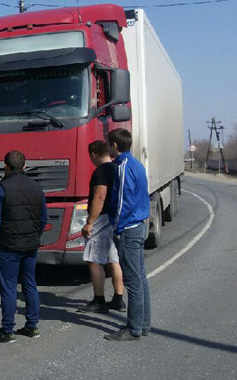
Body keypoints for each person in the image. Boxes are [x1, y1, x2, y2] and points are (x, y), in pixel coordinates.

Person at [0, 150, 48, 343]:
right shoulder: (37, 187)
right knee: (30, 284)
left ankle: (7, 330)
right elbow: (43, 218)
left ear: (5, 166)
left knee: (8, 288)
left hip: (8, 245)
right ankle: (32, 326)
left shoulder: (0, 188)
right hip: (30, 245)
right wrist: (35, 235)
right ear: (25, 166)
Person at [105, 128, 151, 342]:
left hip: (128, 228)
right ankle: (143, 323)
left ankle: (133, 329)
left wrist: (117, 229)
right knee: (140, 278)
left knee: (132, 281)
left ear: (114, 146)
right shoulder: (137, 164)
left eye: (109, 144)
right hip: (139, 224)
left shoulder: (123, 167)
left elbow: (122, 201)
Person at [78, 140, 126, 314]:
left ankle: (99, 300)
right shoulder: (117, 168)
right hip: (115, 218)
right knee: (114, 260)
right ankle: (118, 299)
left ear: (93, 155)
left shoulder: (101, 171)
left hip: (101, 219)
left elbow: (99, 197)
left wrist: (90, 222)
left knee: (94, 259)